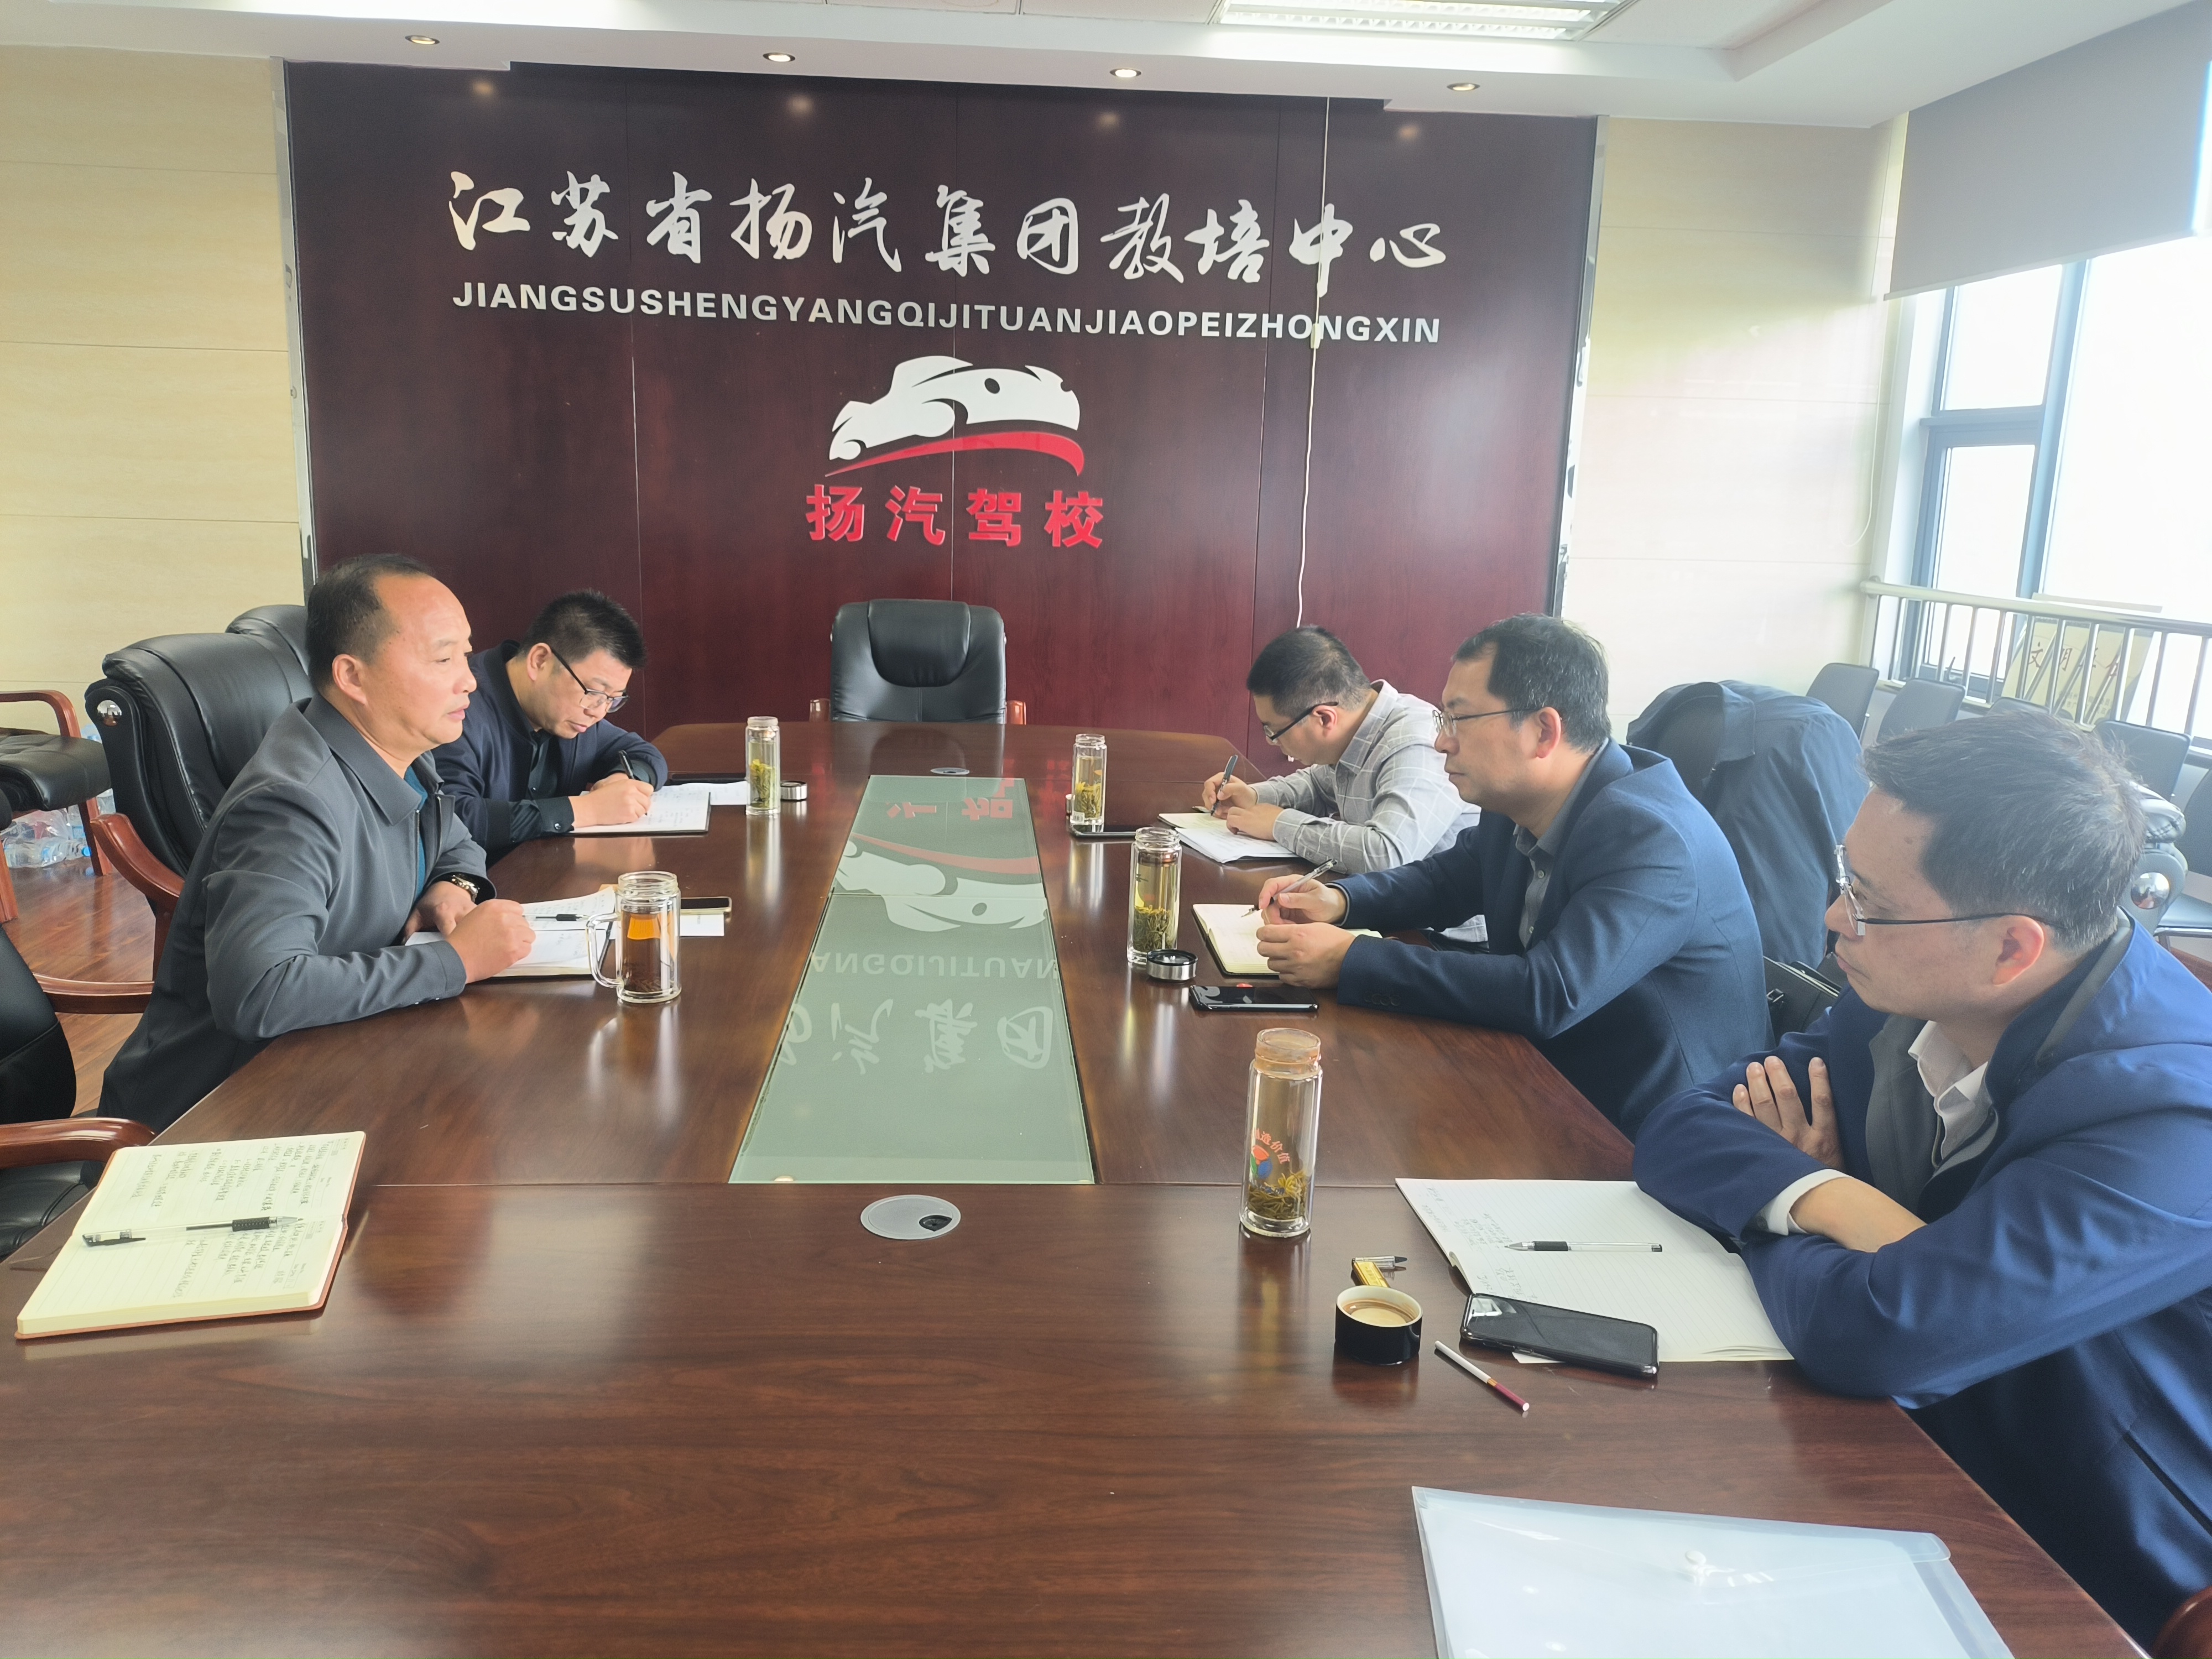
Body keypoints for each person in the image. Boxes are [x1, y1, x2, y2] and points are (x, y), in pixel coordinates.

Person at [1632, 712, 2212, 1646]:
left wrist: (1778, 1219)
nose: (1834, 919)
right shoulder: (1915, 989)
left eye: (1867, 900)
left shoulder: (2178, 1125)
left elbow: (1878, 1334)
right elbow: (1682, 1122)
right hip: (1901, 1453)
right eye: (1844, 878)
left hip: (2086, 1560)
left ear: (2012, 948)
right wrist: (1834, 1199)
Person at [1254, 614, 1767, 1131]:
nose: (1441, 743)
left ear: (1543, 731)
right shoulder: (1522, 798)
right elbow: (1445, 881)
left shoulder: (1650, 837)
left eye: (1458, 719)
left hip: (1652, 1126)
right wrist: (1341, 901)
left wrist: (1352, 960)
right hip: (1544, 1076)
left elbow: (1549, 992)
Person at [101, 557, 535, 1131]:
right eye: (442, 658)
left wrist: (452, 886)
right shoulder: (289, 805)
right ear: (352, 677)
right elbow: (260, 992)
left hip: (331, 1069)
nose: (470, 679)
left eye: (465, 654)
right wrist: (454, 961)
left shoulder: (399, 755)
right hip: (209, 1120)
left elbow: (454, 838)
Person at [1200, 626, 1474, 874]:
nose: (1272, 742)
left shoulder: (1416, 742)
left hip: (1435, 915)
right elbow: (1317, 787)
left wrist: (1280, 824)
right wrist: (1254, 796)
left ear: (1324, 718)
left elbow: (1386, 854)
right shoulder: (1358, 728)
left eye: (1274, 732)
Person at [434, 589, 668, 858]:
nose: (598, 712)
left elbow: (646, 755)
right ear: (540, 661)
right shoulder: (460, 708)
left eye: (613, 699)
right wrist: (587, 810)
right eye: (594, 692)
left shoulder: (574, 715)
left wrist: (621, 782)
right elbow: (455, 818)